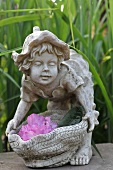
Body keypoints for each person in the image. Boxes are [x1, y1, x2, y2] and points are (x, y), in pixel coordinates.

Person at [6, 26, 99, 165]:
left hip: (80, 83)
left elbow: (80, 91)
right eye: (38, 64)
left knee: (83, 111)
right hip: (56, 94)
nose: (46, 69)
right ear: (27, 66)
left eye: (51, 64)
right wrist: (16, 120)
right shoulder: (28, 80)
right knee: (57, 112)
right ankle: (61, 148)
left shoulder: (65, 74)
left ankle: (85, 148)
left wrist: (90, 111)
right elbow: (25, 101)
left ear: (58, 64)